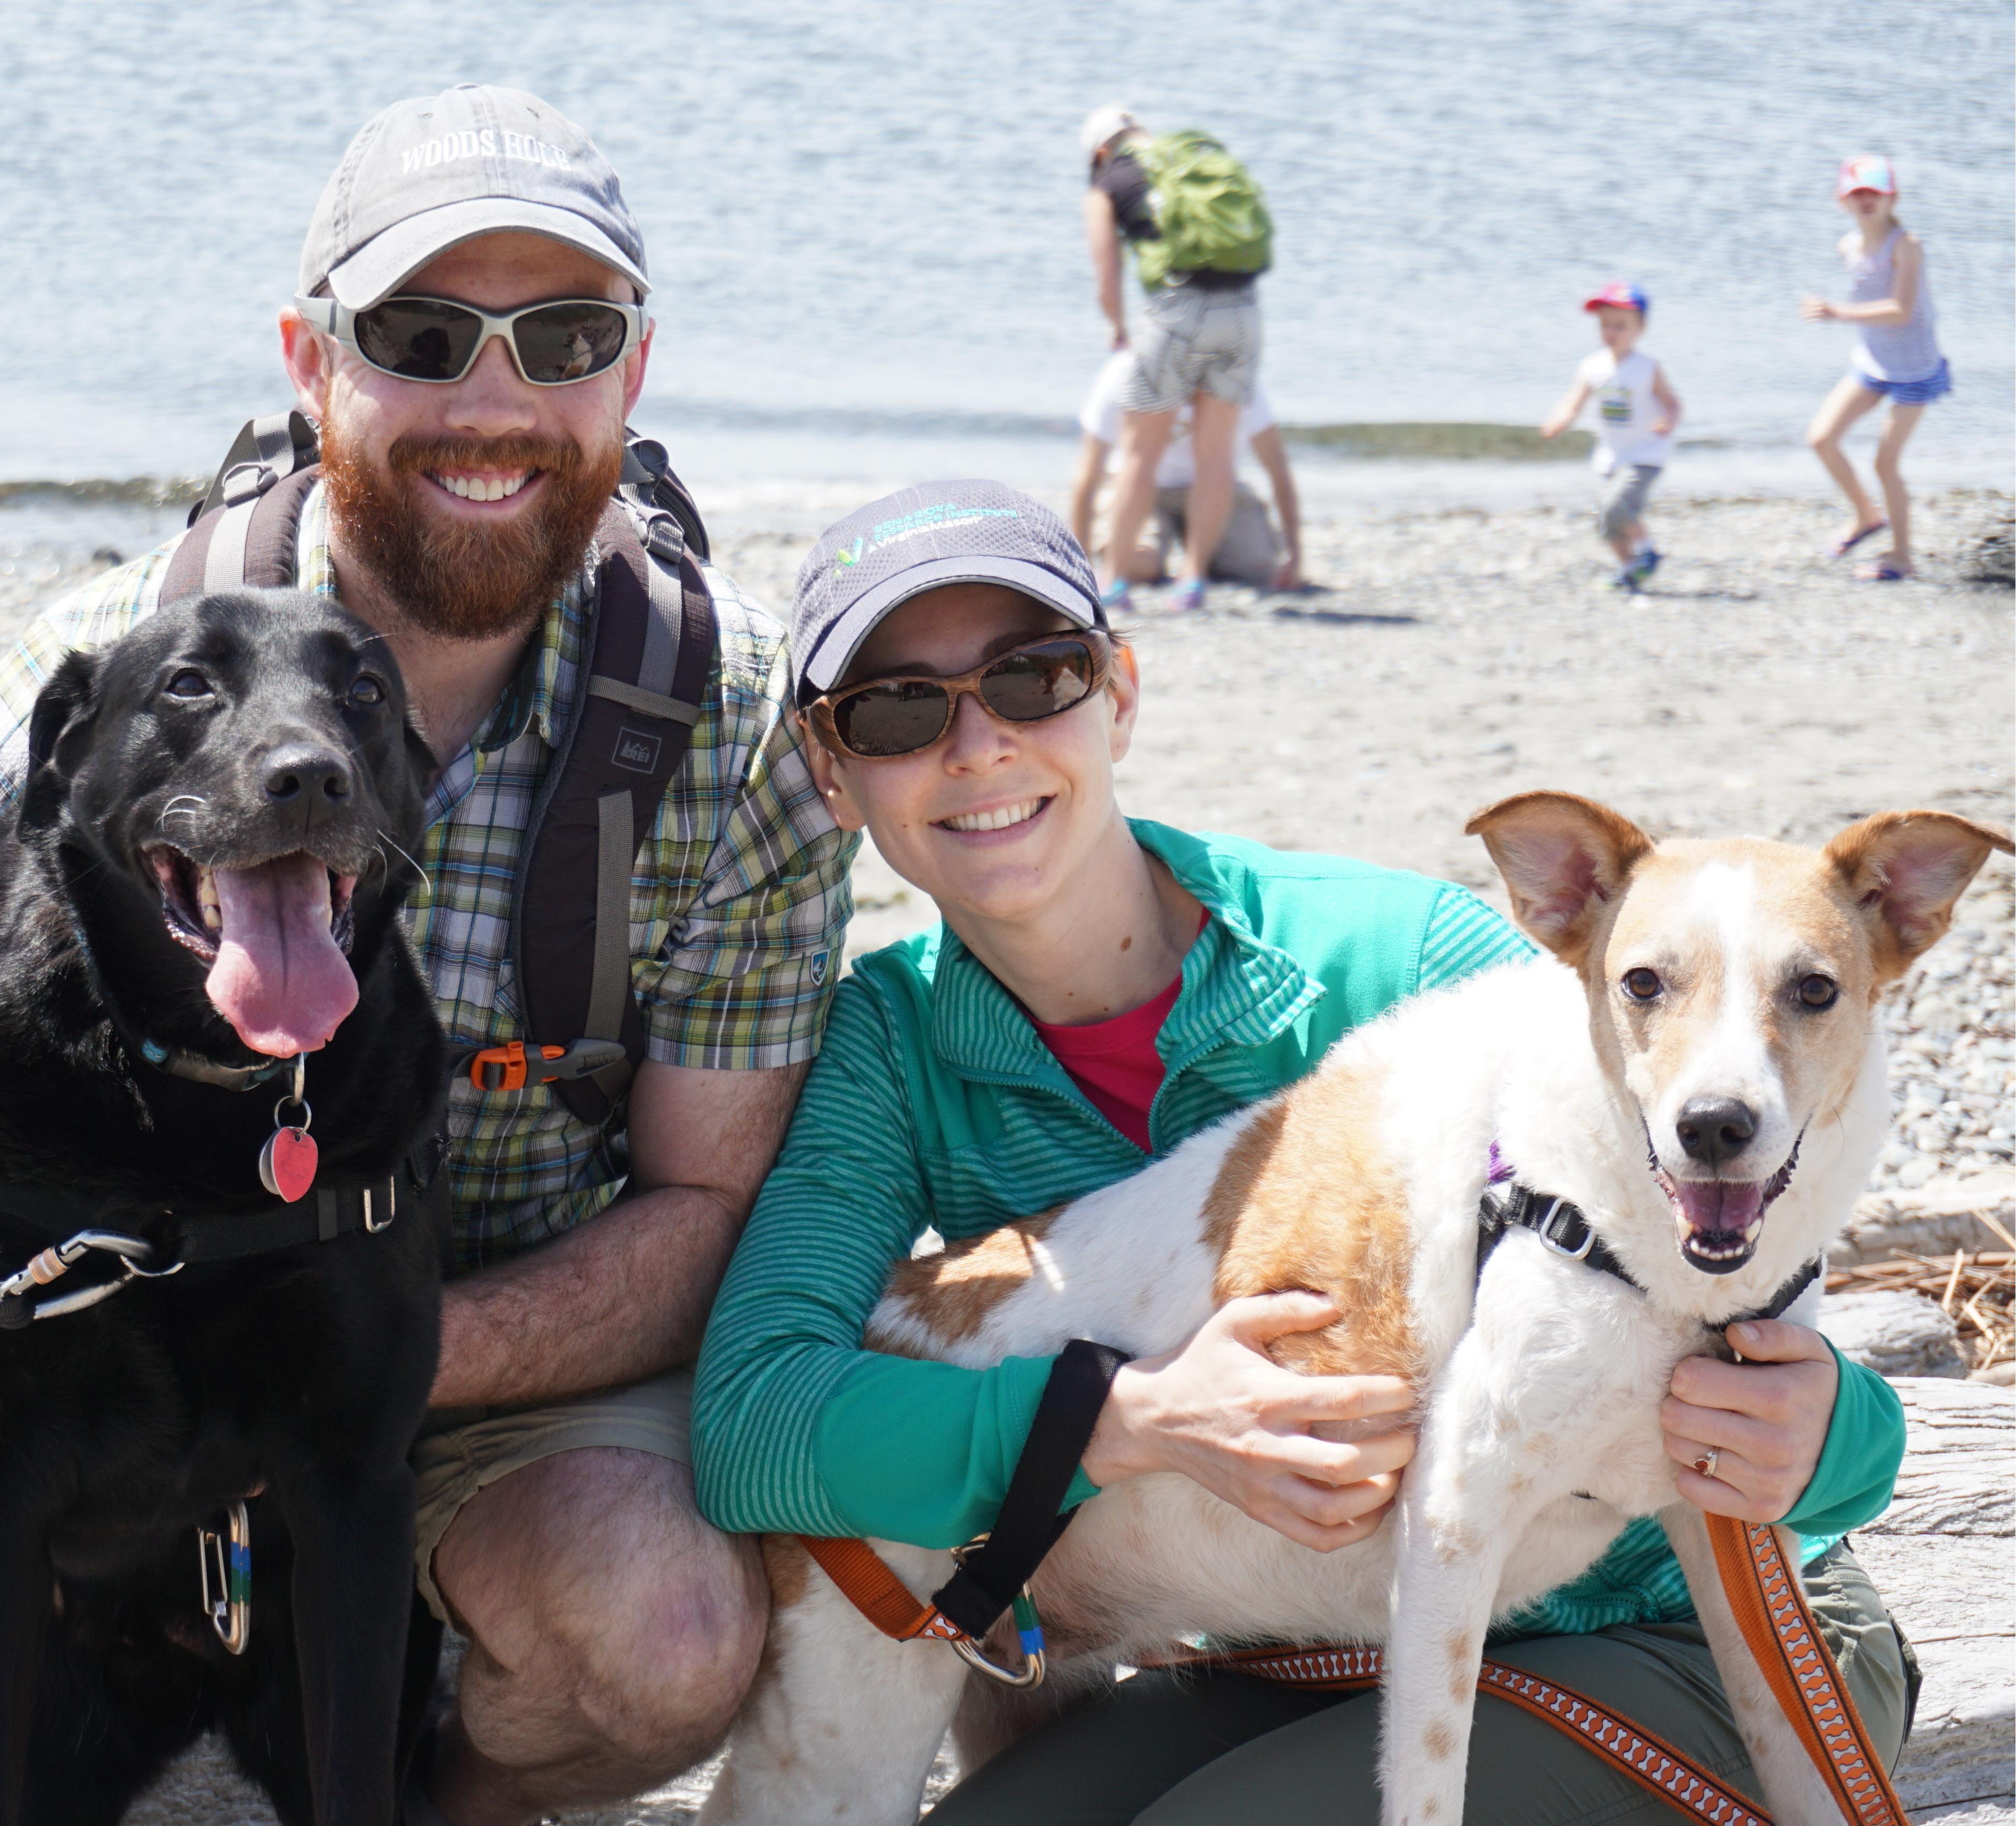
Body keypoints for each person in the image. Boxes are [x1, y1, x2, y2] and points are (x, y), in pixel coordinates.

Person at [0, 83, 855, 1826]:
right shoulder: (103, 662)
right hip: (66, 1359)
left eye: (562, 337)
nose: (494, 403)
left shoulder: (729, 728)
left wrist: (336, 1350)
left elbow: (707, 1212)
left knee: (663, 1634)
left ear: (632, 375)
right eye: (420, 333)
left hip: (454, 1376)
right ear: (310, 358)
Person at [689, 479, 1910, 1825]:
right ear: (828, 766)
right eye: (899, 712)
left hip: (1684, 1635)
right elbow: (753, 1425)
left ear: (1120, 694)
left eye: (1035, 679)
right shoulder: (891, 1038)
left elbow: (1755, 1306)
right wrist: (1117, 1420)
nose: (978, 744)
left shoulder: (1412, 965)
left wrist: (1838, 1429)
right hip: (1320, 1659)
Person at [1081, 106, 1272, 615]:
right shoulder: (1194, 163)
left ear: (1101, 153)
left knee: (1141, 452)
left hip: (1177, 313)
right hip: (1243, 309)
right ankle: (1192, 583)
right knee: (1216, 455)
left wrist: (1119, 327)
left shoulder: (1109, 184)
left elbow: (1106, 275)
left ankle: (1115, 582)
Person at [1801, 153, 1950, 582]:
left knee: (1885, 463)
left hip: (1915, 369)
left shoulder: (1906, 246)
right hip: (1874, 363)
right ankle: (1867, 515)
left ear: (1892, 198)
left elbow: (1902, 310)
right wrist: (1839, 314)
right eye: (1857, 193)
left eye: (1875, 193)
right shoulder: (1848, 245)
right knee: (1820, 438)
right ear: (1842, 200)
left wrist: (1837, 313)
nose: (1866, 200)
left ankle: (1902, 556)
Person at [1067, 351, 1303, 591]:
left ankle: (1198, 564)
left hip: (1217, 492)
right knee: (1137, 567)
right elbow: (1088, 475)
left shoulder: (1235, 376)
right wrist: (1079, 566)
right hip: (1144, 492)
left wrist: (1295, 555)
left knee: (1257, 569)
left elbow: (1277, 467)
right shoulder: (1127, 372)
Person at [1539, 280, 1683, 590]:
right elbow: (1573, 401)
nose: (1612, 332)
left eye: (1621, 326)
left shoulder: (1647, 368)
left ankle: (1648, 553)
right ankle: (1629, 569)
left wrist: (1667, 421)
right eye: (1606, 325)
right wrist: (1559, 420)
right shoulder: (1592, 366)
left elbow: (1673, 403)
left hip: (1645, 456)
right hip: (1610, 458)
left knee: (1616, 507)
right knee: (1605, 522)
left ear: (1640, 328)